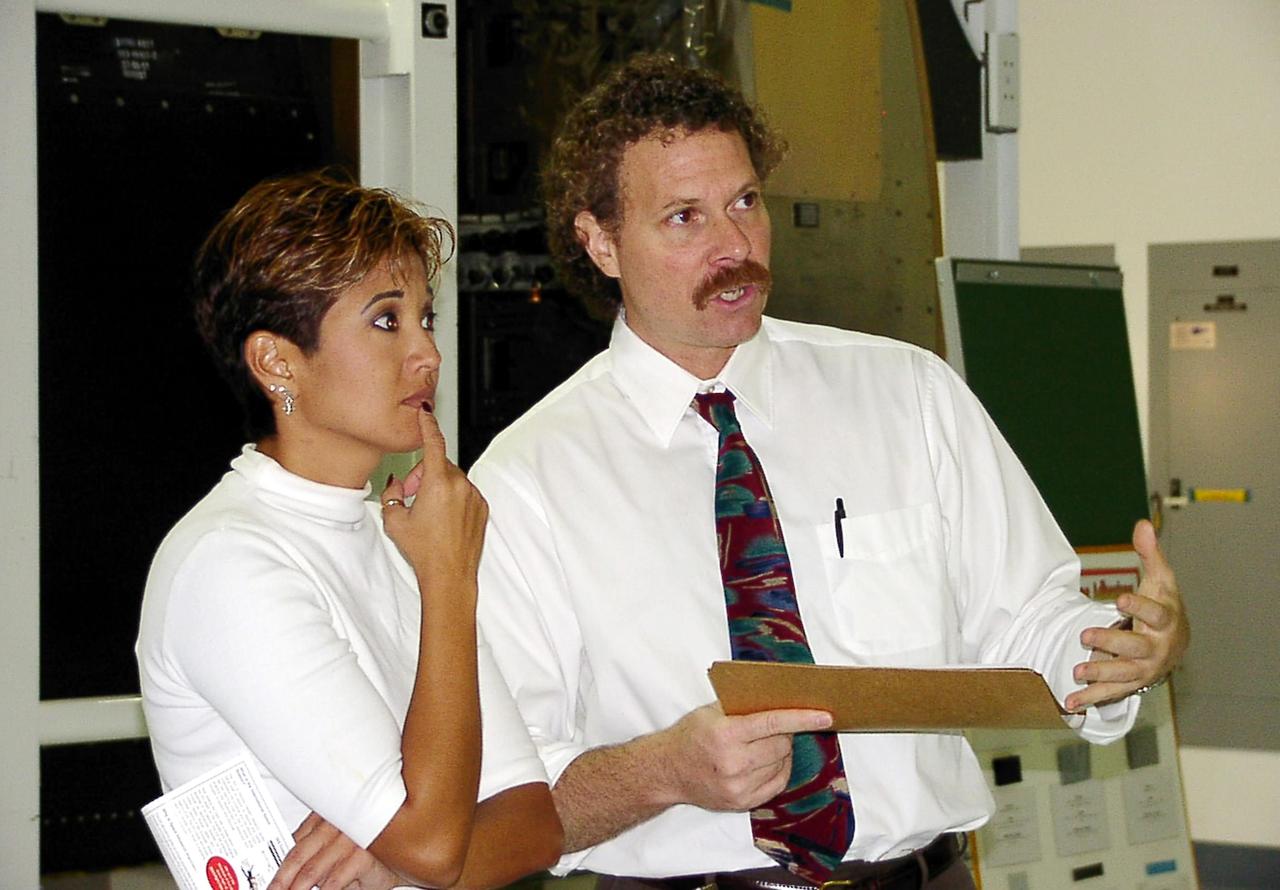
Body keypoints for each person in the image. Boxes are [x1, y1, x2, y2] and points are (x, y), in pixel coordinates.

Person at [466, 53, 1190, 889]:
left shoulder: (906, 395)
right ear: (600, 243)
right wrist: (662, 771)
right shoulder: (530, 481)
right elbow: (505, 801)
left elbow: (1029, 621)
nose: (734, 246)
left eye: (745, 202)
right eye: (685, 218)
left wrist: (1115, 653)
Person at [135, 170, 562, 890]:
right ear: (277, 362)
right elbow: (435, 846)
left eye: (426, 319)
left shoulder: (399, 536)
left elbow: (536, 826)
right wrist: (449, 581)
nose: (427, 354)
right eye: (387, 321)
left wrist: (391, 857)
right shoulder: (229, 561)